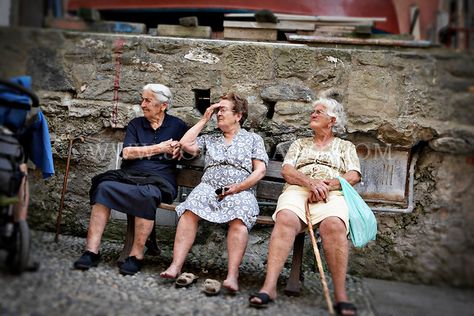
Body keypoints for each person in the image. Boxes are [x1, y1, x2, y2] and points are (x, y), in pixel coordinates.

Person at [249, 98, 361, 316]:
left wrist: (326, 185)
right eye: (313, 111)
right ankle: (269, 287)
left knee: (334, 225)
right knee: (286, 218)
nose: (313, 114)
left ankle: (340, 295)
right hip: (298, 190)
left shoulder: (346, 147)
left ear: (332, 120)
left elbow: (353, 175)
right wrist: (310, 183)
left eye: (319, 112)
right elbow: (287, 171)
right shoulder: (299, 144)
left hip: (332, 194)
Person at [73, 84, 187, 275]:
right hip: (130, 174)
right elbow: (127, 153)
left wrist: (182, 148)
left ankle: (136, 255)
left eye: (147, 100)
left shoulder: (178, 126)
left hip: (159, 180)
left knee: (147, 194)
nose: (142, 104)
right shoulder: (136, 124)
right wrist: (160, 148)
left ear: (163, 105)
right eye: (142, 99)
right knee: (104, 186)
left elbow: (192, 146)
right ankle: (91, 251)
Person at [160, 93, 268, 293]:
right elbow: (185, 144)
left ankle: (232, 276)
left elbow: (260, 170)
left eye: (223, 110)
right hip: (209, 187)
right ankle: (176, 266)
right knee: (189, 210)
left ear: (238, 115)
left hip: (240, 189)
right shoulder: (210, 139)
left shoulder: (253, 139)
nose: (218, 114)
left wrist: (239, 187)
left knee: (239, 218)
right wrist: (204, 118)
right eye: (217, 110)